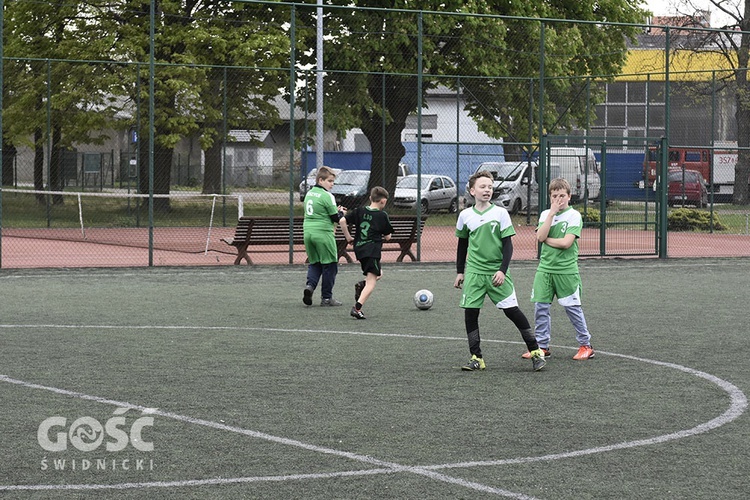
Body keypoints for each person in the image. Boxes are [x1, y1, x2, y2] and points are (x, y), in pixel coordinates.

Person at [454, 170, 546, 371]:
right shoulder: (465, 215)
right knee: (471, 314)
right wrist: (460, 271)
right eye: (482, 186)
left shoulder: (500, 213)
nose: (487, 190)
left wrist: (502, 271)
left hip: (497, 273)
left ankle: (536, 352)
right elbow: (462, 245)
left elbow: (508, 245)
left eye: (489, 186)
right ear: (472, 191)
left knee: (512, 312)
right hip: (475, 274)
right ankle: (476, 357)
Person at [522, 177, 595, 360]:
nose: (558, 200)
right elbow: (540, 236)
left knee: (572, 308)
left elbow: (565, 243)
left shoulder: (574, 216)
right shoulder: (546, 214)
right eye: (554, 196)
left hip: (566, 271)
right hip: (544, 270)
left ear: (569, 196)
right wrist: (551, 214)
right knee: (541, 308)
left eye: (562, 195)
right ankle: (542, 346)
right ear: (550, 197)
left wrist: (545, 238)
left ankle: (586, 345)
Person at [340, 186, 394, 320]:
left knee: (378, 274)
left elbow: (342, 220)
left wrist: (348, 238)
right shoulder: (382, 215)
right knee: (372, 281)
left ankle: (361, 285)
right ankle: (357, 308)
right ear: (384, 201)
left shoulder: (359, 211)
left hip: (359, 249)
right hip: (372, 250)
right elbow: (388, 237)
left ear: (370, 198)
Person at [302, 166, 349, 306]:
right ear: (320, 180)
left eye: (333, 181)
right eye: (329, 181)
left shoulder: (309, 193)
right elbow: (335, 218)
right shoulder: (327, 196)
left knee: (315, 263)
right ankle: (326, 298)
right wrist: (342, 213)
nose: (332, 184)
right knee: (330, 265)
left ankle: (310, 286)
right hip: (323, 233)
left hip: (308, 233)